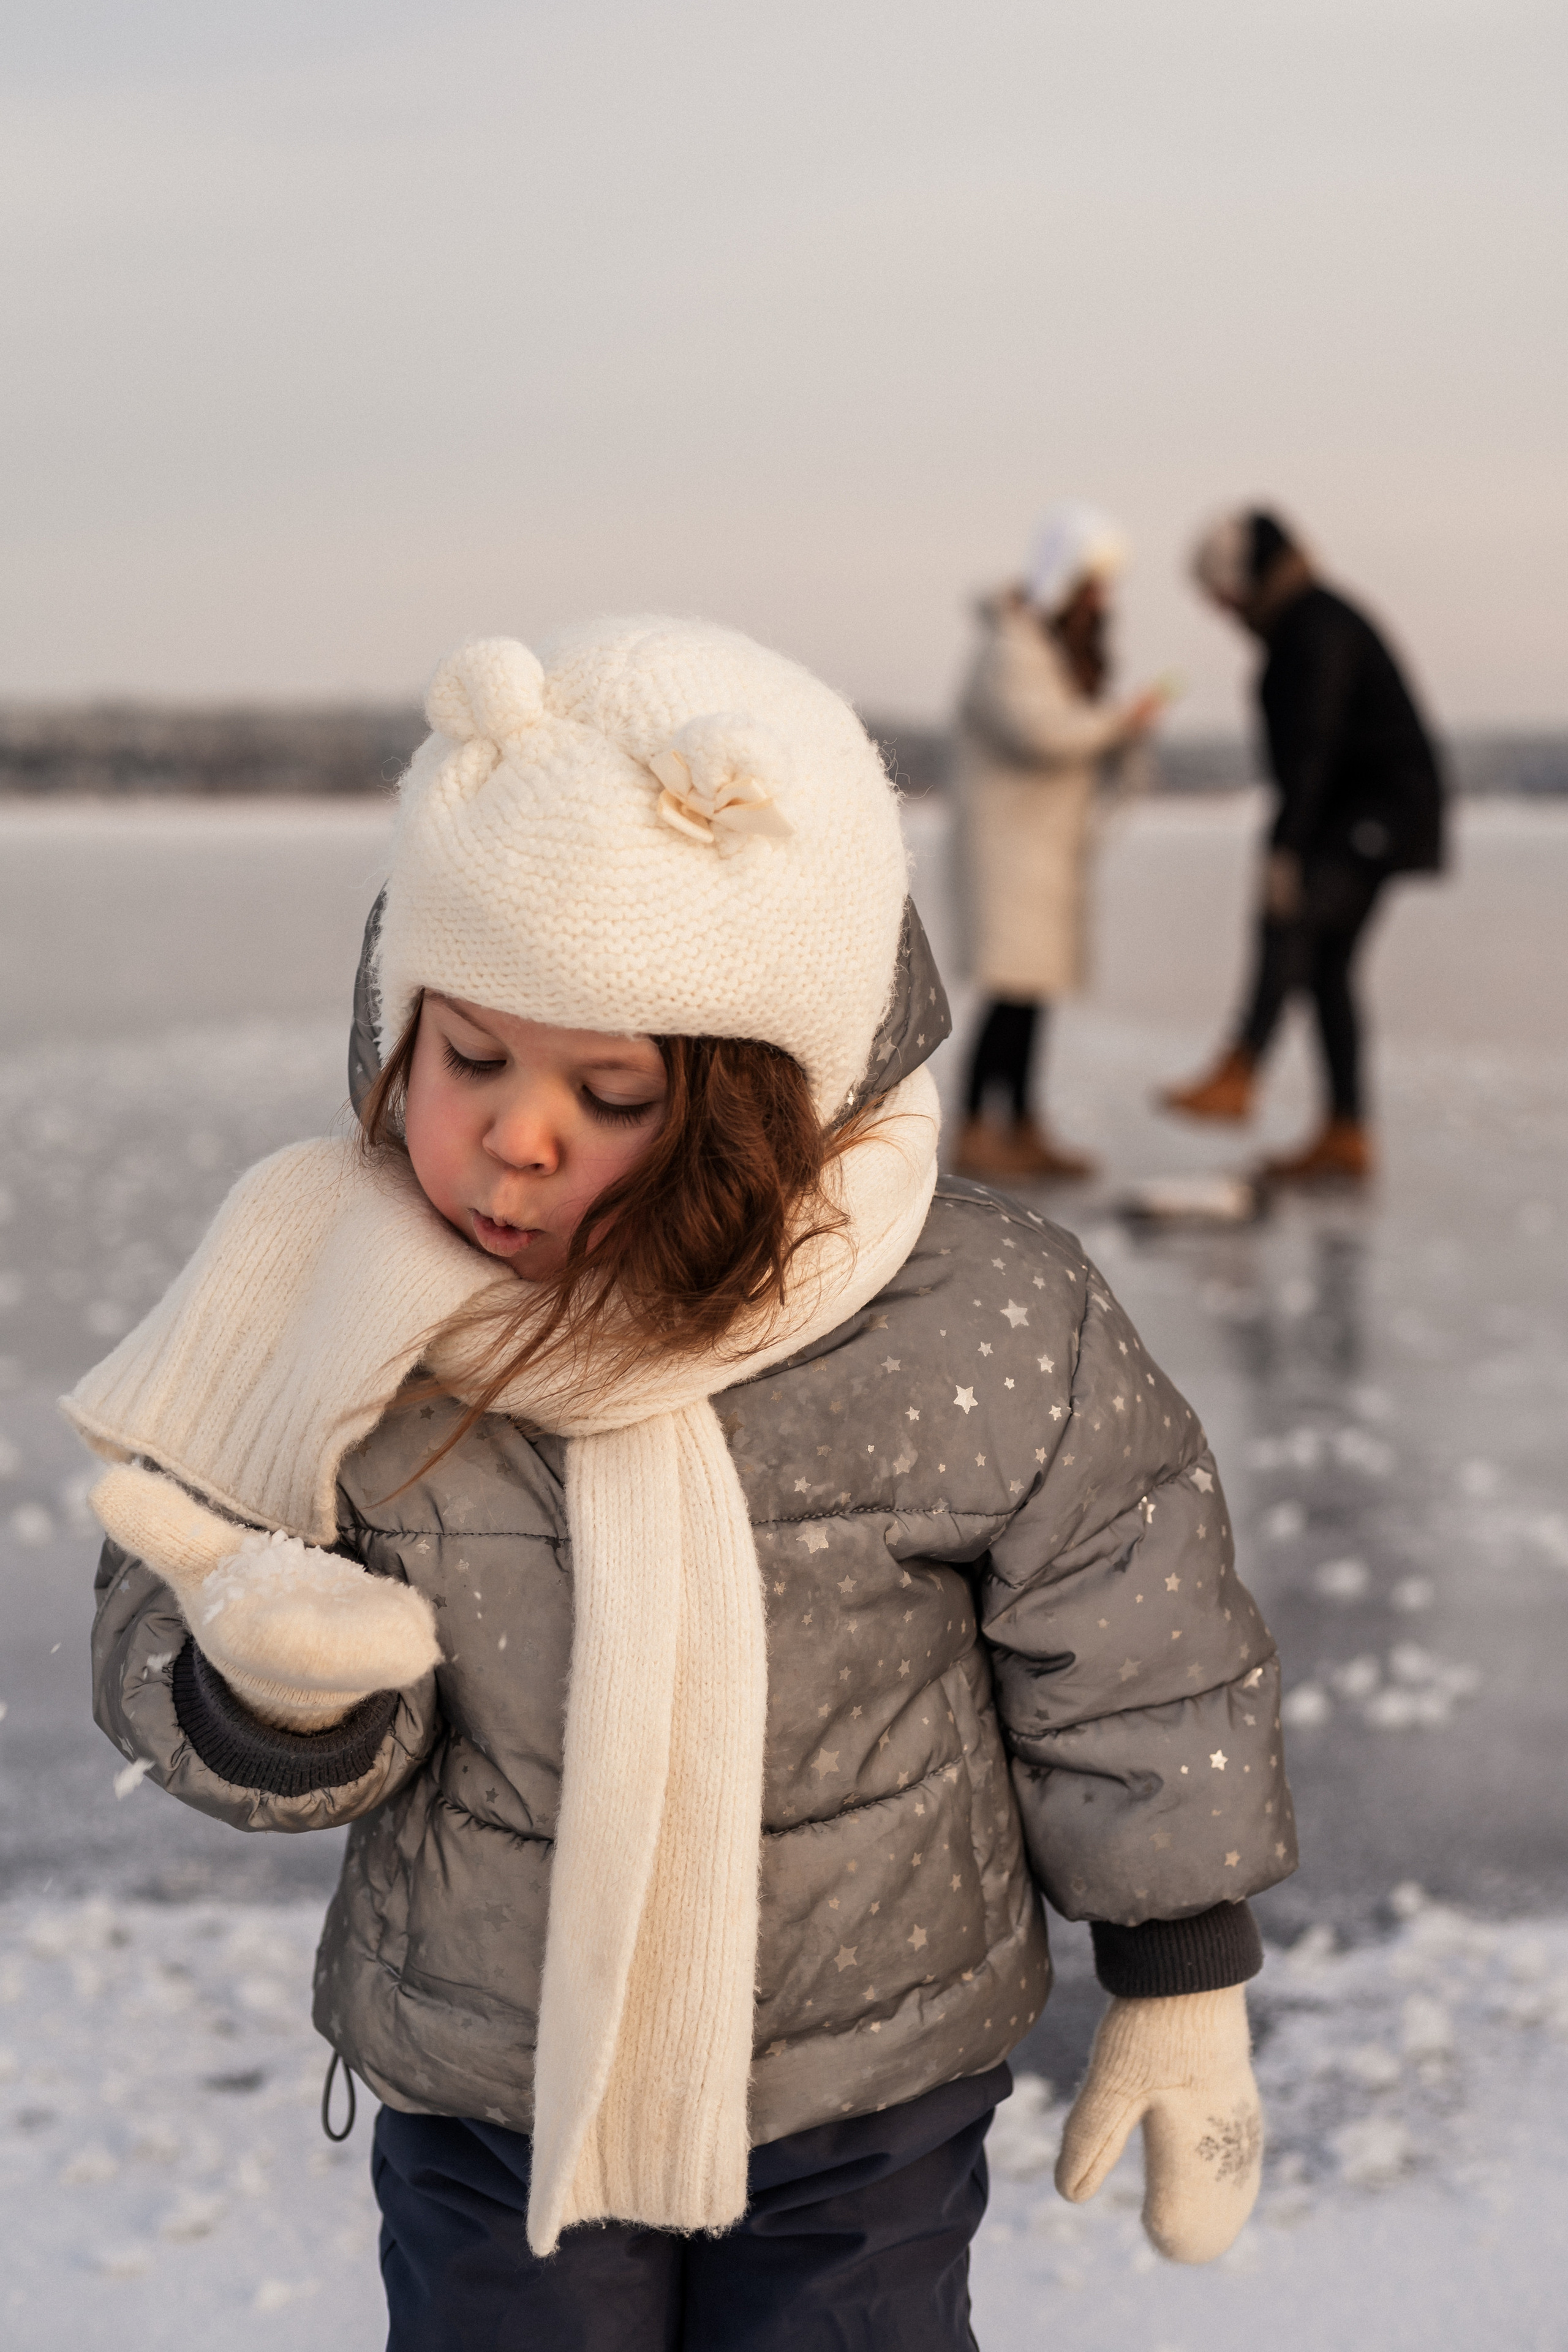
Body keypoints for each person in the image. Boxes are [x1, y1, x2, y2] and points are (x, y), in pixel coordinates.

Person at [72, 620, 1294, 2351]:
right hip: (497, 2085)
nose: (516, 1136)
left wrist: (1182, 1971)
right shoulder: (332, 1293)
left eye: (612, 1090)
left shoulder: (972, 1316)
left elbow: (1131, 1639)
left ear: (760, 1104)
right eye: (469, 1055)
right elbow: (173, 1590)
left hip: (864, 2085)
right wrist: (270, 1690)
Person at [1162, 510, 1445, 1180]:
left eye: (1219, 591)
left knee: (1291, 922)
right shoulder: (1304, 619)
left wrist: (1287, 847)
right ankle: (1344, 1131)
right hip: (1363, 813)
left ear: (1244, 578)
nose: (1218, 609)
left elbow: (1311, 747)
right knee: (1325, 967)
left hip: (1369, 816)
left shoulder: (1312, 628)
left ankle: (1243, 1068)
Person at [954, 504, 1167, 1182]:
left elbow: (1077, 737)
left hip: (1043, 856)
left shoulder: (1046, 652)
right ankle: (978, 1131)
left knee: (1031, 995)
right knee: (1010, 994)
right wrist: (1118, 720)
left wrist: (1120, 731)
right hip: (1009, 856)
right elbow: (1041, 733)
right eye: (1092, 586)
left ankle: (1020, 1124)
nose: (1102, 603)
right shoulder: (1010, 649)